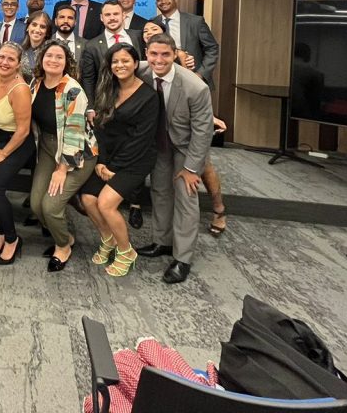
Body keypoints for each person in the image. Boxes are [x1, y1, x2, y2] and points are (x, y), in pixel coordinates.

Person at [135, 33, 214, 284]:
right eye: (153, 54)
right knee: (160, 191)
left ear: (174, 55)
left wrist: (191, 168)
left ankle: (182, 258)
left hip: (186, 146)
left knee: (185, 197)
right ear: (146, 54)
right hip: (159, 143)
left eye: (165, 54)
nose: (159, 60)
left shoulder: (196, 87)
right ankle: (163, 241)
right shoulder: (140, 71)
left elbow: (203, 131)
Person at [78, 43, 158, 277]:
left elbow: (141, 139)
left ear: (136, 63)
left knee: (106, 203)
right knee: (88, 199)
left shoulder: (149, 96)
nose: (120, 65)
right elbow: (100, 129)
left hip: (135, 159)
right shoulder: (107, 89)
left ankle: (126, 251)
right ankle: (108, 239)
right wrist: (102, 162)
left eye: (125, 61)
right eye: (115, 61)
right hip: (107, 158)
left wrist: (113, 167)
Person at [28, 40, 97, 272]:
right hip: (48, 147)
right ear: (41, 59)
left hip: (78, 153)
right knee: (36, 204)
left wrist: (62, 170)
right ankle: (66, 236)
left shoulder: (73, 90)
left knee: (50, 206)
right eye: (49, 56)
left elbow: (74, 133)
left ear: (67, 62)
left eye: (59, 57)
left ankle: (63, 246)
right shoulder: (36, 83)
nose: (53, 60)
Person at [0, 41, 35, 265]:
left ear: (18, 64)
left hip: (15, 142)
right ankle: (2, 233)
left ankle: (12, 239)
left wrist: (3, 153)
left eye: (11, 59)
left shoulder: (20, 89)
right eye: (2, 57)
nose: (4, 62)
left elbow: (23, 130)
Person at [152, 0, 220, 85]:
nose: (163, 2)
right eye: (159, 0)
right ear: (156, 3)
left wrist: (201, 74)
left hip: (193, 77)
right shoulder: (152, 23)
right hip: (162, 79)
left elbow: (212, 48)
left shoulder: (195, 21)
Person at [20, 10, 53, 81]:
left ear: (47, 32)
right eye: (34, 25)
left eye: (42, 27)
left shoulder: (51, 52)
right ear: (27, 27)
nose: (37, 30)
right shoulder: (19, 50)